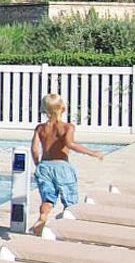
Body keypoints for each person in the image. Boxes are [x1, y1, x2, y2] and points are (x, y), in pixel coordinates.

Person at [29, 92, 106, 233]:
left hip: (44, 166)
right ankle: (68, 226)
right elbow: (70, 144)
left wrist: (38, 164)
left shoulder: (40, 128)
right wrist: (92, 153)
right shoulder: (67, 127)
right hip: (62, 166)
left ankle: (43, 217)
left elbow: (34, 149)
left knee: (47, 198)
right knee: (70, 199)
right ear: (63, 108)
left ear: (44, 110)